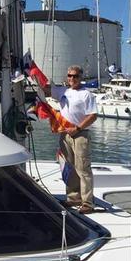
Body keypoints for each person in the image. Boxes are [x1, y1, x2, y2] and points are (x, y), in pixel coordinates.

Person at [51, 65, 97, 214]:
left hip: (80, 134)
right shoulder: (63, 91)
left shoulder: (86, 95)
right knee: (69, 168)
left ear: (81, 77)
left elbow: (92, 115)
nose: (72, 78)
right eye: (69, 76)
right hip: (65, 135)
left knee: (83, 169)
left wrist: (77, 128)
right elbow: (45, 89)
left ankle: (88, 203)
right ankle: (73, 197)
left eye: (75, 76)